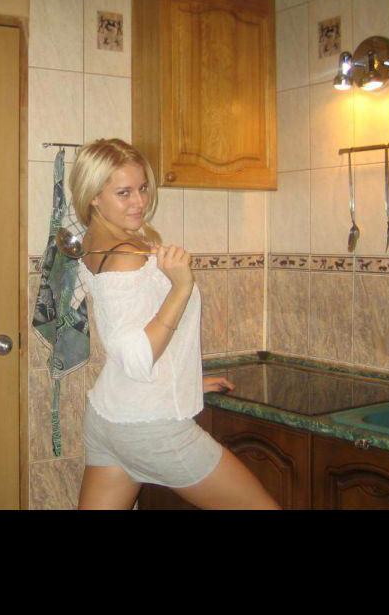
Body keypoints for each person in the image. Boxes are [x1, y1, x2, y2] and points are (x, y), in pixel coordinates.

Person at [69, 138, 280, 510]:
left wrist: (185, 383)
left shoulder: (94, 243)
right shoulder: (126, 256)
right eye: (123, 193)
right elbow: (137, 359)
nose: (139, 201)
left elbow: (130, 335)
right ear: (95, 197)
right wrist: (181, 286)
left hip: (108, 418)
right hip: (151, 427)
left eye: (142, 188)